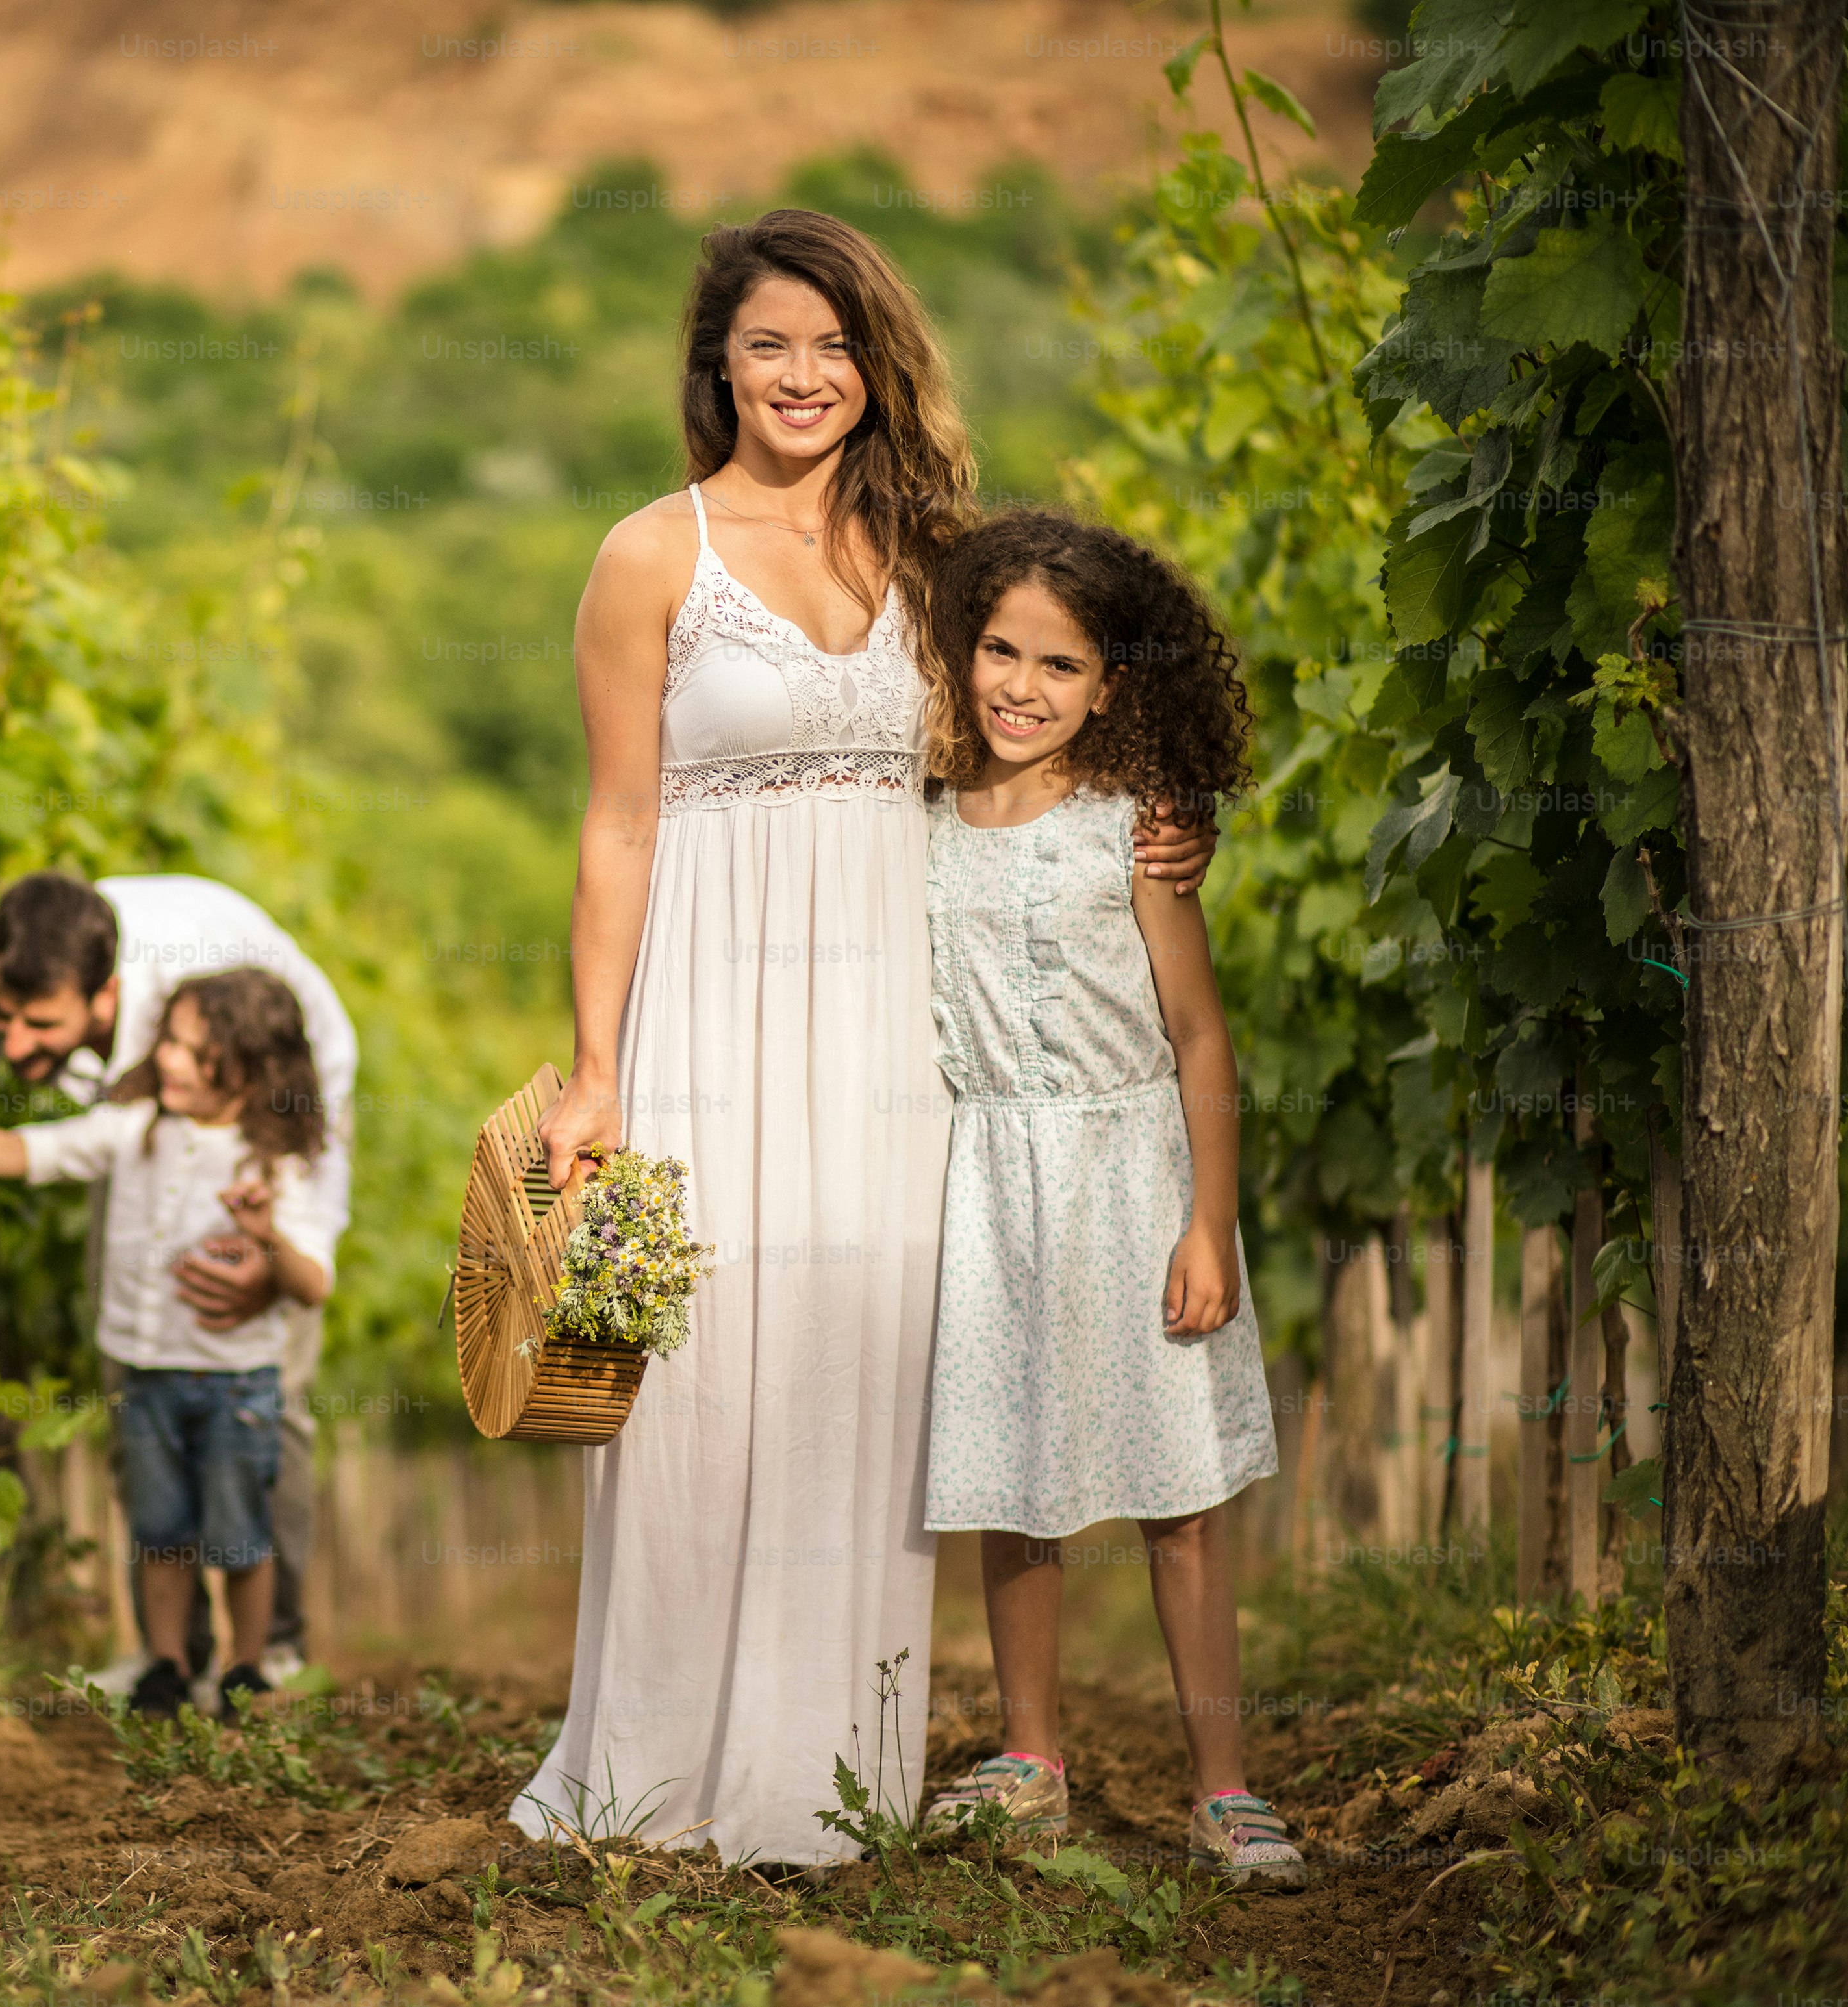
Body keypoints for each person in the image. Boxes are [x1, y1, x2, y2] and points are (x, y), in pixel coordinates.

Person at [517, 210, 1217, 1866]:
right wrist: (599, 1065)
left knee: (871, 1358)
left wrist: (1176, 822)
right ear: (720, 369)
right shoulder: (648, 554)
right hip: (708, 999)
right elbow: (618, 821)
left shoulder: (938, 560)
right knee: (696, 1362)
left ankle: (827, 1769)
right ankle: (658, 1762)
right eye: (770, 344)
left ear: (875, 364)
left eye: (834, 345)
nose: (804, 375)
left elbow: (1065, 709)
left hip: (895, 1021)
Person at [909, 509, 1299, 1888]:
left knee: (1178, 1496)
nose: (1019, 686)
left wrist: (1210, 1221)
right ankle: (1030, 1761)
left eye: (1057, 667)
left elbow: (1199, 1036)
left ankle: (1223, 1787)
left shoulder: (1134, 831)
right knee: (1012, 1484)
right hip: (992, 1178)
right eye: (997, 652)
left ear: (1113, 686)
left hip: (1132, 1174)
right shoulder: (924, 818)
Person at [0, 871, 355, 1677]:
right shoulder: (3, 992)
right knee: (135, 1392)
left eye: (40, 1025)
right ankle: (169, 1658)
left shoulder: (204, 1012)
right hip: (144, 1157)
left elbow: (315, 1144)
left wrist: (284, 1259)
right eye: (1, 1021)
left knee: (271, 1414)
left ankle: (272, 1653)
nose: (13, 1047)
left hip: (284, 1123)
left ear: (110, 996)